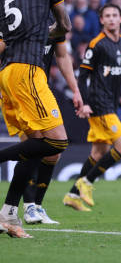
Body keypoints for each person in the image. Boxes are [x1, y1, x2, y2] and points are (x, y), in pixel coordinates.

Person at [0, 0, 72, 238]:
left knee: (34, 147)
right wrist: (55, 29)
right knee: (57, 142)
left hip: (7, 73)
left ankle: (8, 215)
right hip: (29, 70)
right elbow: (64, 24)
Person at [63, 3, 121, 212]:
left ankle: (72, 195)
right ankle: (87, 182)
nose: (112, 19)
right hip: (99, 104)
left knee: (98, 152)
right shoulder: (97, 44)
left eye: (115, 15)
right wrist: (84, 103)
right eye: (107, 16)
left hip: (111, 103)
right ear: (101, 20)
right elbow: (83, 75)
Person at [19, 17, 84, 224]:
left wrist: (75, 89)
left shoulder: (54, 22)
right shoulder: (20, 16)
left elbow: (63, 56)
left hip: (41, 89)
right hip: (20, 88)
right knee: (32, 143)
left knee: (54, 150)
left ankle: (37, 206)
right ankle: (27, 206)